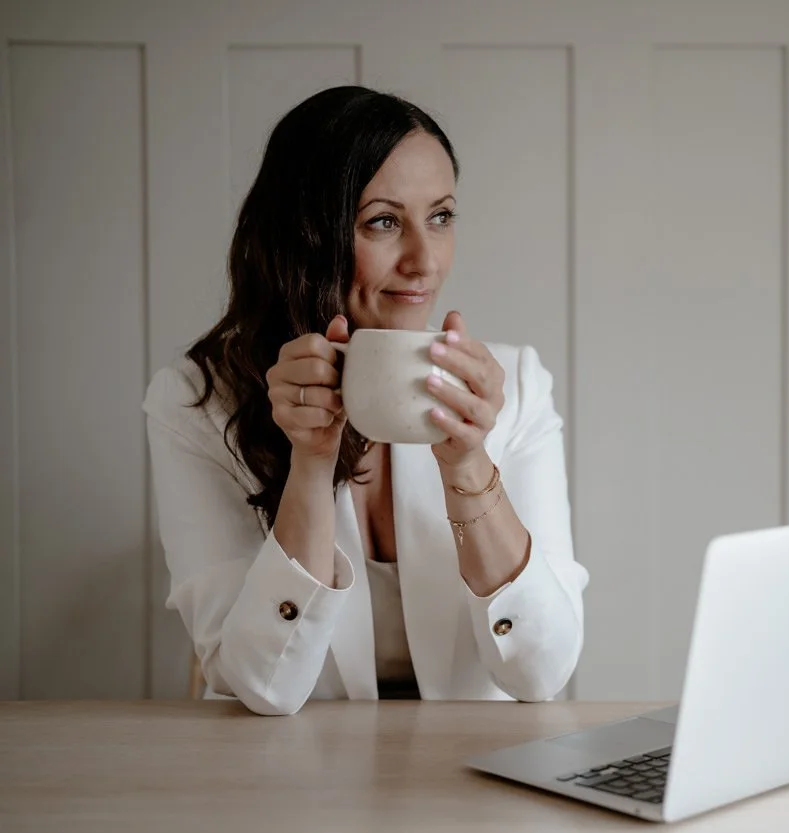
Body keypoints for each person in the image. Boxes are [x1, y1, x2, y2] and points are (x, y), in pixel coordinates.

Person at [142, 85, 588, 716]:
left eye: (440, 216)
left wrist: (467, 464)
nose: (424, 261)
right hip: (293, 778)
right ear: (306, 235)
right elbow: (262, 687)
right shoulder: (200, 401)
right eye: (383, 222)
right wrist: (311, 462)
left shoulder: (510, 386)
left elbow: (541, 672)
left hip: (468, 774)